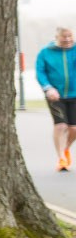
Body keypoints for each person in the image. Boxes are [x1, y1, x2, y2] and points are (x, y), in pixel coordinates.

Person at [36, 27, 76, 170]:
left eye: (70, 36)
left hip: (74, 94)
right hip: (55, 95)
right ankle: (61, 159)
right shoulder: (45, 52)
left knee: (74, 129)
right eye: (63, 36)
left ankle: (65, 149)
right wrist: (48, 88)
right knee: (61, 126)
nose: (67, 39)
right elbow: (40, 72)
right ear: (57, 37)